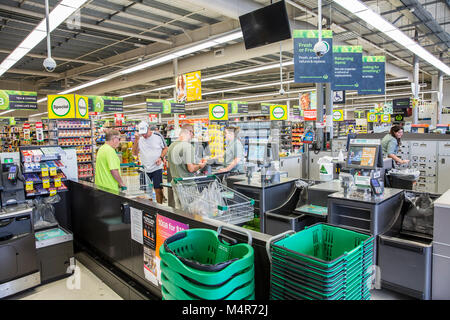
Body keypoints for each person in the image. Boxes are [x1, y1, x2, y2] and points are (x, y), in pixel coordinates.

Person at [132, 121, 168, 204]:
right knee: (146, 190)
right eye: (142, 134)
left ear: (148, 129)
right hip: (144, 169)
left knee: (158, 189)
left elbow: (165, 148)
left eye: (145, 133)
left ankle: (159, 207)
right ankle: (149, 207)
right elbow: (134, 153)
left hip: (157, 167)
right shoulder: (139, 139)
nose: (144, 136)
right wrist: (136, 140)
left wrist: (161, 158)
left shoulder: (157, 136)